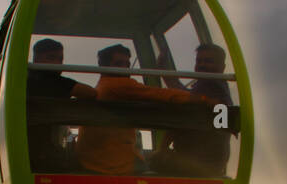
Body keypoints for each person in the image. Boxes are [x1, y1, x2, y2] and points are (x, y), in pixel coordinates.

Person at [75, 44, 211, 176]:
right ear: (103, 67)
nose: (125, 69)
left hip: (94, 159)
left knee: (154, 157)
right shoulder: (117, 85)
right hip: (112, 164)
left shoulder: (104, 85)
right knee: (175, 166)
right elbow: (160, 94)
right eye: (118, 64)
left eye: (127, 65)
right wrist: (206, 100)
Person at [154, 43, 234, 177]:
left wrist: (162, 149)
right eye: (199, 61)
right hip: (211, 162)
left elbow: (182, 98)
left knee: (149, 161)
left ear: (222, 67)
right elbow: (183, 96)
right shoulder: (214, 87)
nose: (202, 65)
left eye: (208, 61)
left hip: (198, 163)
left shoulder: (211, 85)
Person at [27, 38, 96, 172]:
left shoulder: (25, 78)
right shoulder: (57, 82)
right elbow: (90, 93)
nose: (57, 63)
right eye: (51, 58)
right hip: (42, 151)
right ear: (36, 59)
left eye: (60, 59)